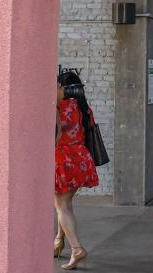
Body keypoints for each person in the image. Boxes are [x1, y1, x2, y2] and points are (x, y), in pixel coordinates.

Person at [54, 70, 100, 270]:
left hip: (64, 160)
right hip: (81, 159)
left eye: (57, 86)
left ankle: (76, 248)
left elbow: (55, 136)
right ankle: (58, 241)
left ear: (64, 88)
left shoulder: (60, 108)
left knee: (61, 206)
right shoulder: (83, 108)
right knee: (65, 204)